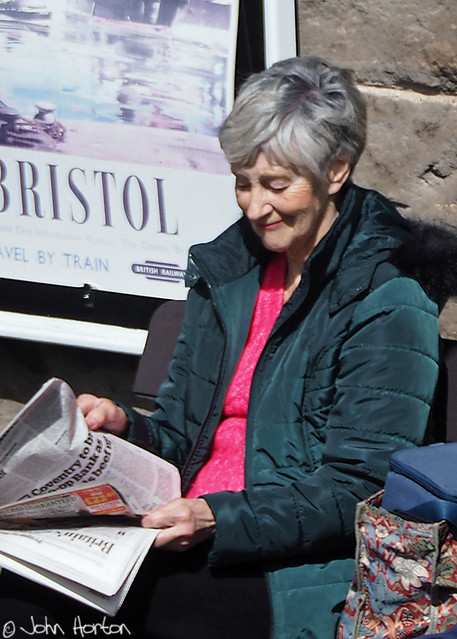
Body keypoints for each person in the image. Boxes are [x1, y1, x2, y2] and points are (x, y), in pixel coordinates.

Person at [0, 57, 441, 639]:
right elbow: (182, 435)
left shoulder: (387, 299)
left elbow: (358, 489)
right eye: (243, 182)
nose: (255, 207)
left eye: (277, 185)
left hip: (288, 568)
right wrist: (124, 430)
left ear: (336, 171)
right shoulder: (230, 274)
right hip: (178, 526)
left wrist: (217, 517)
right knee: (18, 590)